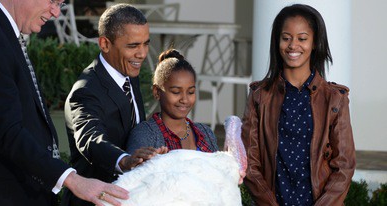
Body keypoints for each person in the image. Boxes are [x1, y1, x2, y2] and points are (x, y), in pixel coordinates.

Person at [0, 0, 129, 205]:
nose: (56, 13)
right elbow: (7, 131)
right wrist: (73, 180)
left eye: (60, 4)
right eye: (53, 1)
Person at [241, 4, 355, 206]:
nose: (293, 45)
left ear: (314, 43)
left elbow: (344, 166)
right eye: (286, 38)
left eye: (302, 38)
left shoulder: (335, 99)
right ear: (277, 42)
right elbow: (250, 163)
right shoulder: (259, 96)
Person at [62, 4, 166, 206]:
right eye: (133, 46)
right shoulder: (85, 90)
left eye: (146, 44)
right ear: (105, 44)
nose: (142, 53)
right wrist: (124, 161)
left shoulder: (127, 73)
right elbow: (90, 139)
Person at [127, 49, 219, 153]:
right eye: (176, 92)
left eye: (191, 92)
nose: (184, 99)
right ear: (157, 92)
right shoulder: (145, 135)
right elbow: (137, 168)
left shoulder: (205, 133)